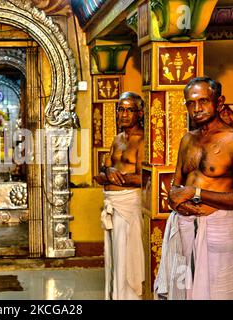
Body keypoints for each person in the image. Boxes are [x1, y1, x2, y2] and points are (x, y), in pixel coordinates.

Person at [156, 77, 233, 300]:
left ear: (219, 103)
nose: (197, 109)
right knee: (185, 291)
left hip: (219, 230)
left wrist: (195, 194)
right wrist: (178, 200)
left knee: (221, 292)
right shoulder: (187, 140)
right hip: (185, 228)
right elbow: (175, 187)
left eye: (203, 101)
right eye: (191, 103)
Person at [93, 92, 145, 300]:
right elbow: (107, 169)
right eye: (120, 109)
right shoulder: (117, 139)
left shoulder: (142, 141)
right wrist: (107, 174)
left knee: (127, 257)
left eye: (129, 109)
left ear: (139, 113)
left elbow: (144, 178)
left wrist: (114, 177)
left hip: (128, 204)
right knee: (114, 257)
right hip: (112, 204)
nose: (123, 114)